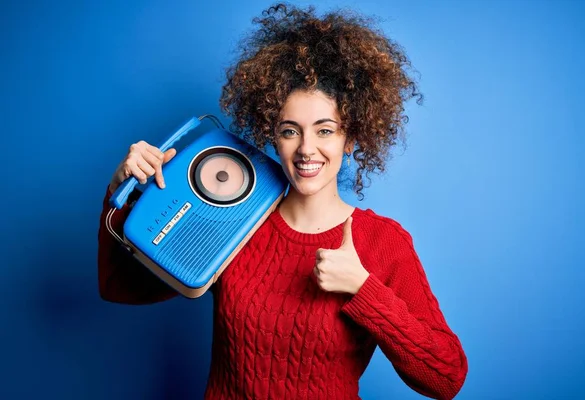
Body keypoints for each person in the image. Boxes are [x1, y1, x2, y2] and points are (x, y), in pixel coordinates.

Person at [97, 3, 468, 399]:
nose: (307, 149)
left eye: (325, 131)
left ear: (352, 138)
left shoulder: (382, 242)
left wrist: (362, 288)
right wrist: (121, 194)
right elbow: (119, 287)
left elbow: (446, 377)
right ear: (272, 134)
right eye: (290, 131)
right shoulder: (235, 216)